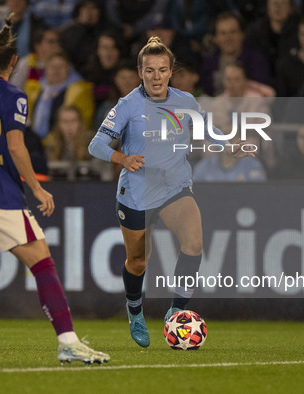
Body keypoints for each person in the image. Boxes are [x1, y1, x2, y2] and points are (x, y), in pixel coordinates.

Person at [0, 14, 109, 365]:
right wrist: (37, 189)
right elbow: (15, 147)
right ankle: (68, 342)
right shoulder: (14, 95)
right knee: (42, 264)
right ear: (14, 62)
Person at [88, 36, 253, 348]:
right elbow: (95, 144)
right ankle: (134, 310)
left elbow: (206, 130)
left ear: (170, 71)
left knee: (194, 244)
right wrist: (121, 158)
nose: (156, 77)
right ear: (140, 72)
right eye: (149, 71)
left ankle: (177, 312)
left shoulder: (186, 101)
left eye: (162, 70)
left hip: (174, 186)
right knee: (138, 261)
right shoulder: (127, 106)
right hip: (137, 191)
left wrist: (231, 144)